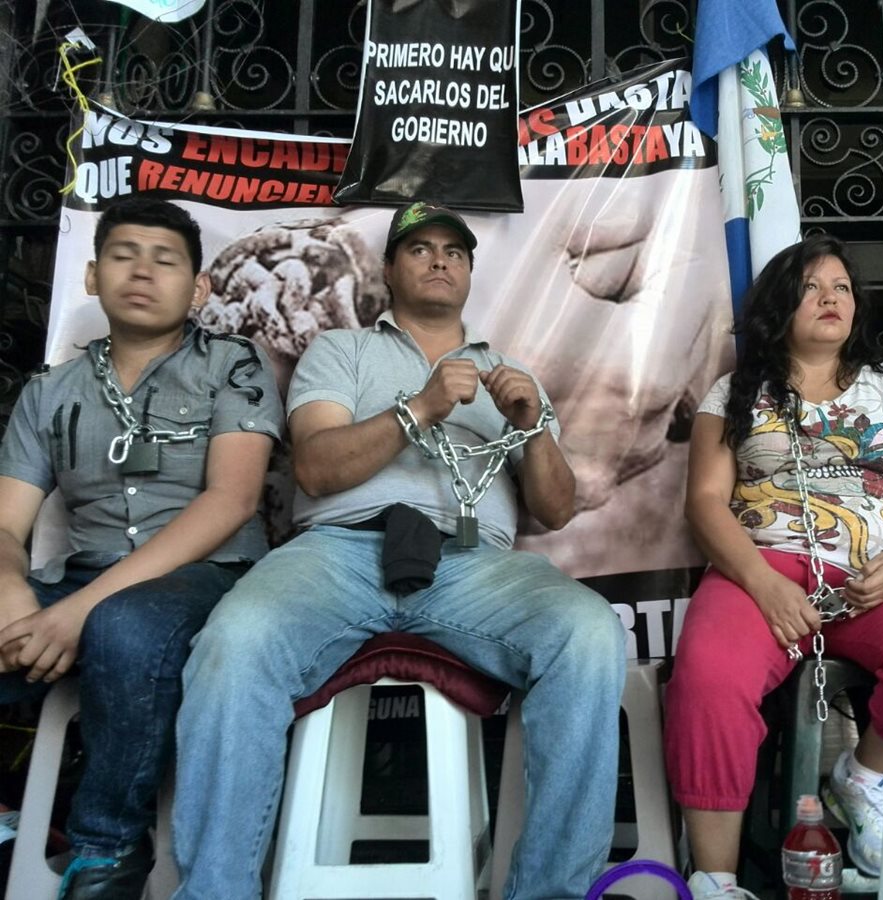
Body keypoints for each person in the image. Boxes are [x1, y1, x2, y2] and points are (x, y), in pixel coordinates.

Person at [170, 200, 627, 900]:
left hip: (470, 567)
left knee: (590, 632)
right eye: (420, 248)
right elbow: (316, 469)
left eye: (454, 250)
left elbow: (557, 509)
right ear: (389, 268)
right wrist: (421, 407)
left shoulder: (511, 375)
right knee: (236, 640)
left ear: (471, 270)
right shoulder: (341, 350)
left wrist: (534, 429)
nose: (439, 259)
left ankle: (553, 895)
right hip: (341, 552)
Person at [664, 235, 883, 896]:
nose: (831, 299)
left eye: (842, 288)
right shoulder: (734, 391)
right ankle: (714, 877)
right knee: (708, 674)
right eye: (813, 287)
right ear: (780, 306)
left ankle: (866, 775)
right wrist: (761, 584)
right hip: (761, 569)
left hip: (877, 572)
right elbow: (704, 503)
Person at [0, 196, 281, 899]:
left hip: (205, 575)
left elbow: (232, 501)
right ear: (93, 276)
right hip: (85, 575)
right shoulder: (50, 392)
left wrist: (76, 612)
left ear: (199, 288)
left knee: (122, 624)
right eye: (125, 255)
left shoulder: (233, 366)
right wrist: (12, 600)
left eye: (166, 260)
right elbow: (6, 526)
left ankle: (108, 850)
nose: (143, 272)